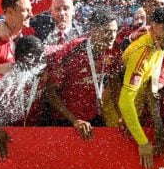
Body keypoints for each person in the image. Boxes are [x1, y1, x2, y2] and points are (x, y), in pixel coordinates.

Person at [46, 9, 121, 139]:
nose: (112, 36)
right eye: (107, 31)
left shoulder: (113, 51)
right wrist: (74, 121)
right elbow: (50, 93)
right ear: (93, 30)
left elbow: (114, 84)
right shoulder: (72, 52)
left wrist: (121, 115)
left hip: (93, 117)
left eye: (115, 31)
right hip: (66, 120)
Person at [0, 36, 47, 159]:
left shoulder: (43, 76)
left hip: (30, 141)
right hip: (2, 138)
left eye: (41, 56)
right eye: (35, 56)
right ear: (21, 58)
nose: (40, 61)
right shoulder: (4, 76)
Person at [118, 7, 164, 169]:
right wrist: (143, 142)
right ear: (152, 26)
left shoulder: (160, 40)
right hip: (117, 110)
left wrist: (158, 123)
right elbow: (124, 102)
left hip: (140, 102)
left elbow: (155, 69)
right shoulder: (141, 55)